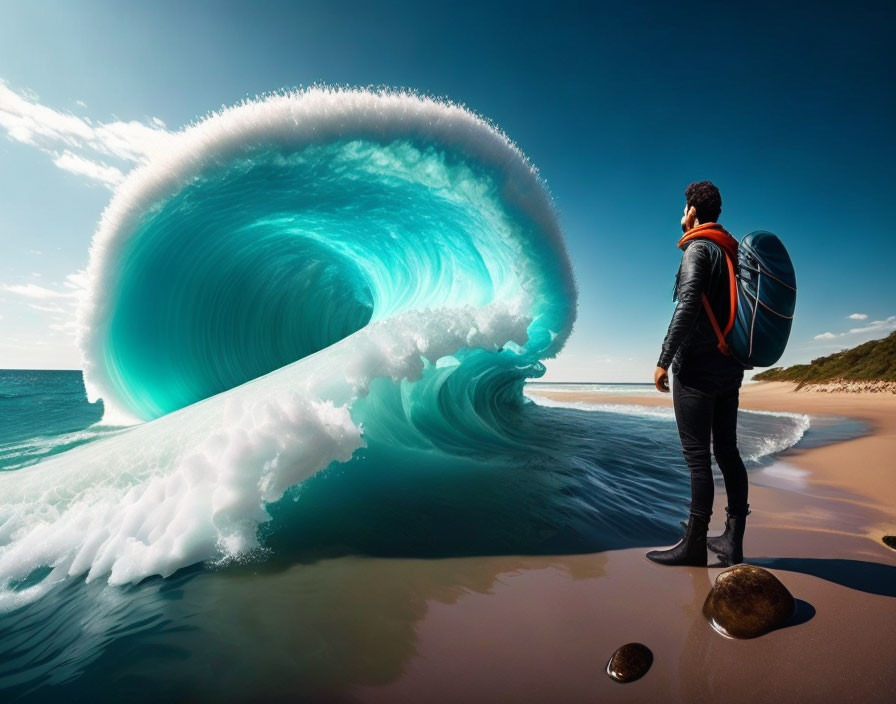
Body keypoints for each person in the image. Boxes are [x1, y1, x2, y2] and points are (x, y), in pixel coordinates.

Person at [646, 181, 751, 567]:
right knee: (727, 452)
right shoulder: (730, 252)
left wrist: (663, 358)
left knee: (697, 459)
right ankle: (733, 540)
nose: (682, 214)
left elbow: (688, 303)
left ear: (691, 210)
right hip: (729, 368)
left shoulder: (698, 248)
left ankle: (694, 543)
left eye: (684, 208)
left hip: (697, 370)